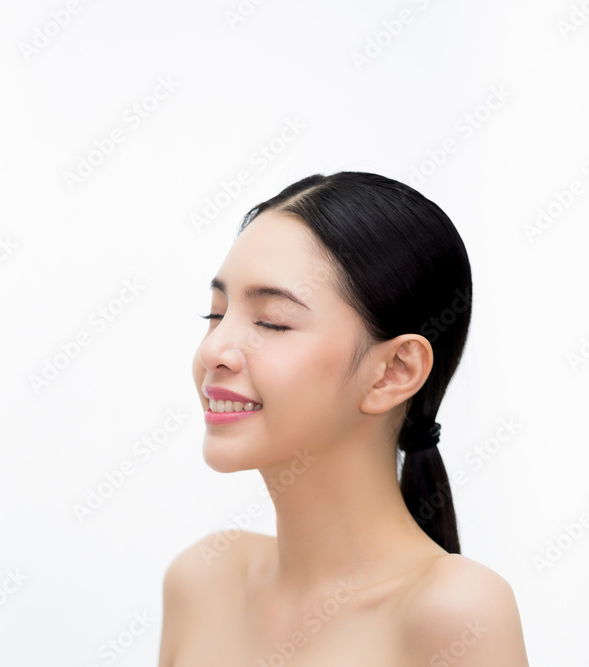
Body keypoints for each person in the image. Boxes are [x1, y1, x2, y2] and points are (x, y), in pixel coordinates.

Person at [159, 172, 529, 665]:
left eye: (271, 321)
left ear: (393, 372)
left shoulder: (454, 613)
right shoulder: (203, 582)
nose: (215, 350)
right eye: (216, 314)